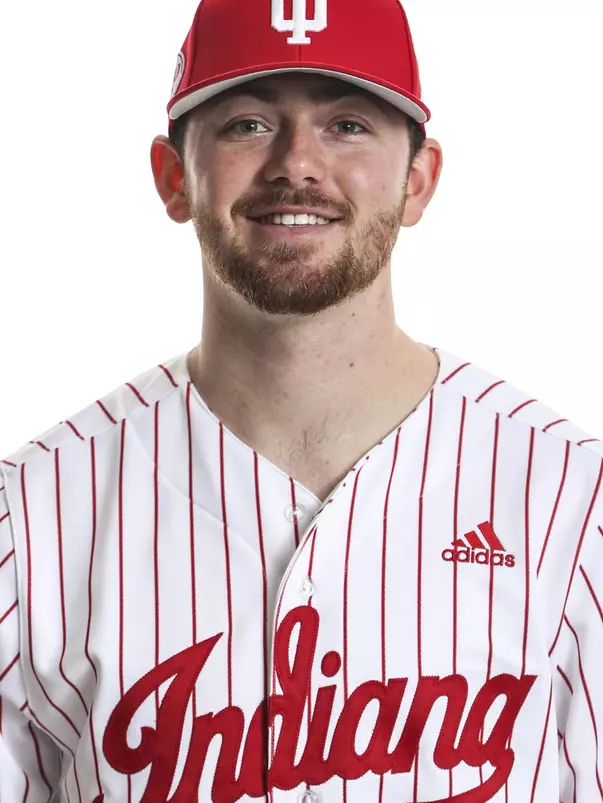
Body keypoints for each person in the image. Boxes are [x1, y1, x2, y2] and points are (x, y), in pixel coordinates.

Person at [1, 0, 602, 800]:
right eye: (247, 123)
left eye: (347, 125)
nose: (297, 163)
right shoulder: (30, 518)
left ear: (417, 181)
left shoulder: (570, 503)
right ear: (173, 178)